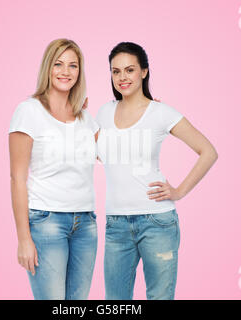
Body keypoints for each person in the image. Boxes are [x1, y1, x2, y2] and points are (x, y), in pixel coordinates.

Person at [96, 42, 218, 300]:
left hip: (157, 222)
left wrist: (179, 191)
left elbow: (208, 151)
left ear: (144, 72)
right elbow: (99, 154)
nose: (122, 77)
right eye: (115, 71)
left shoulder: (161, 113)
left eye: (129, 70)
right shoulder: (104, 112)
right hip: (116, 223)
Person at [8, 39, 99, 300]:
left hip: (85, 225)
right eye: (58, 64)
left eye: (73, 65)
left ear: (80, 72)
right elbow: (17, 178)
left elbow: (113, 152)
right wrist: (24, 238)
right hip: (46, 223)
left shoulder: (84, 117)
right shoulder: (28, 111)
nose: (65, 71)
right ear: (48, 67)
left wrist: (141, 107)